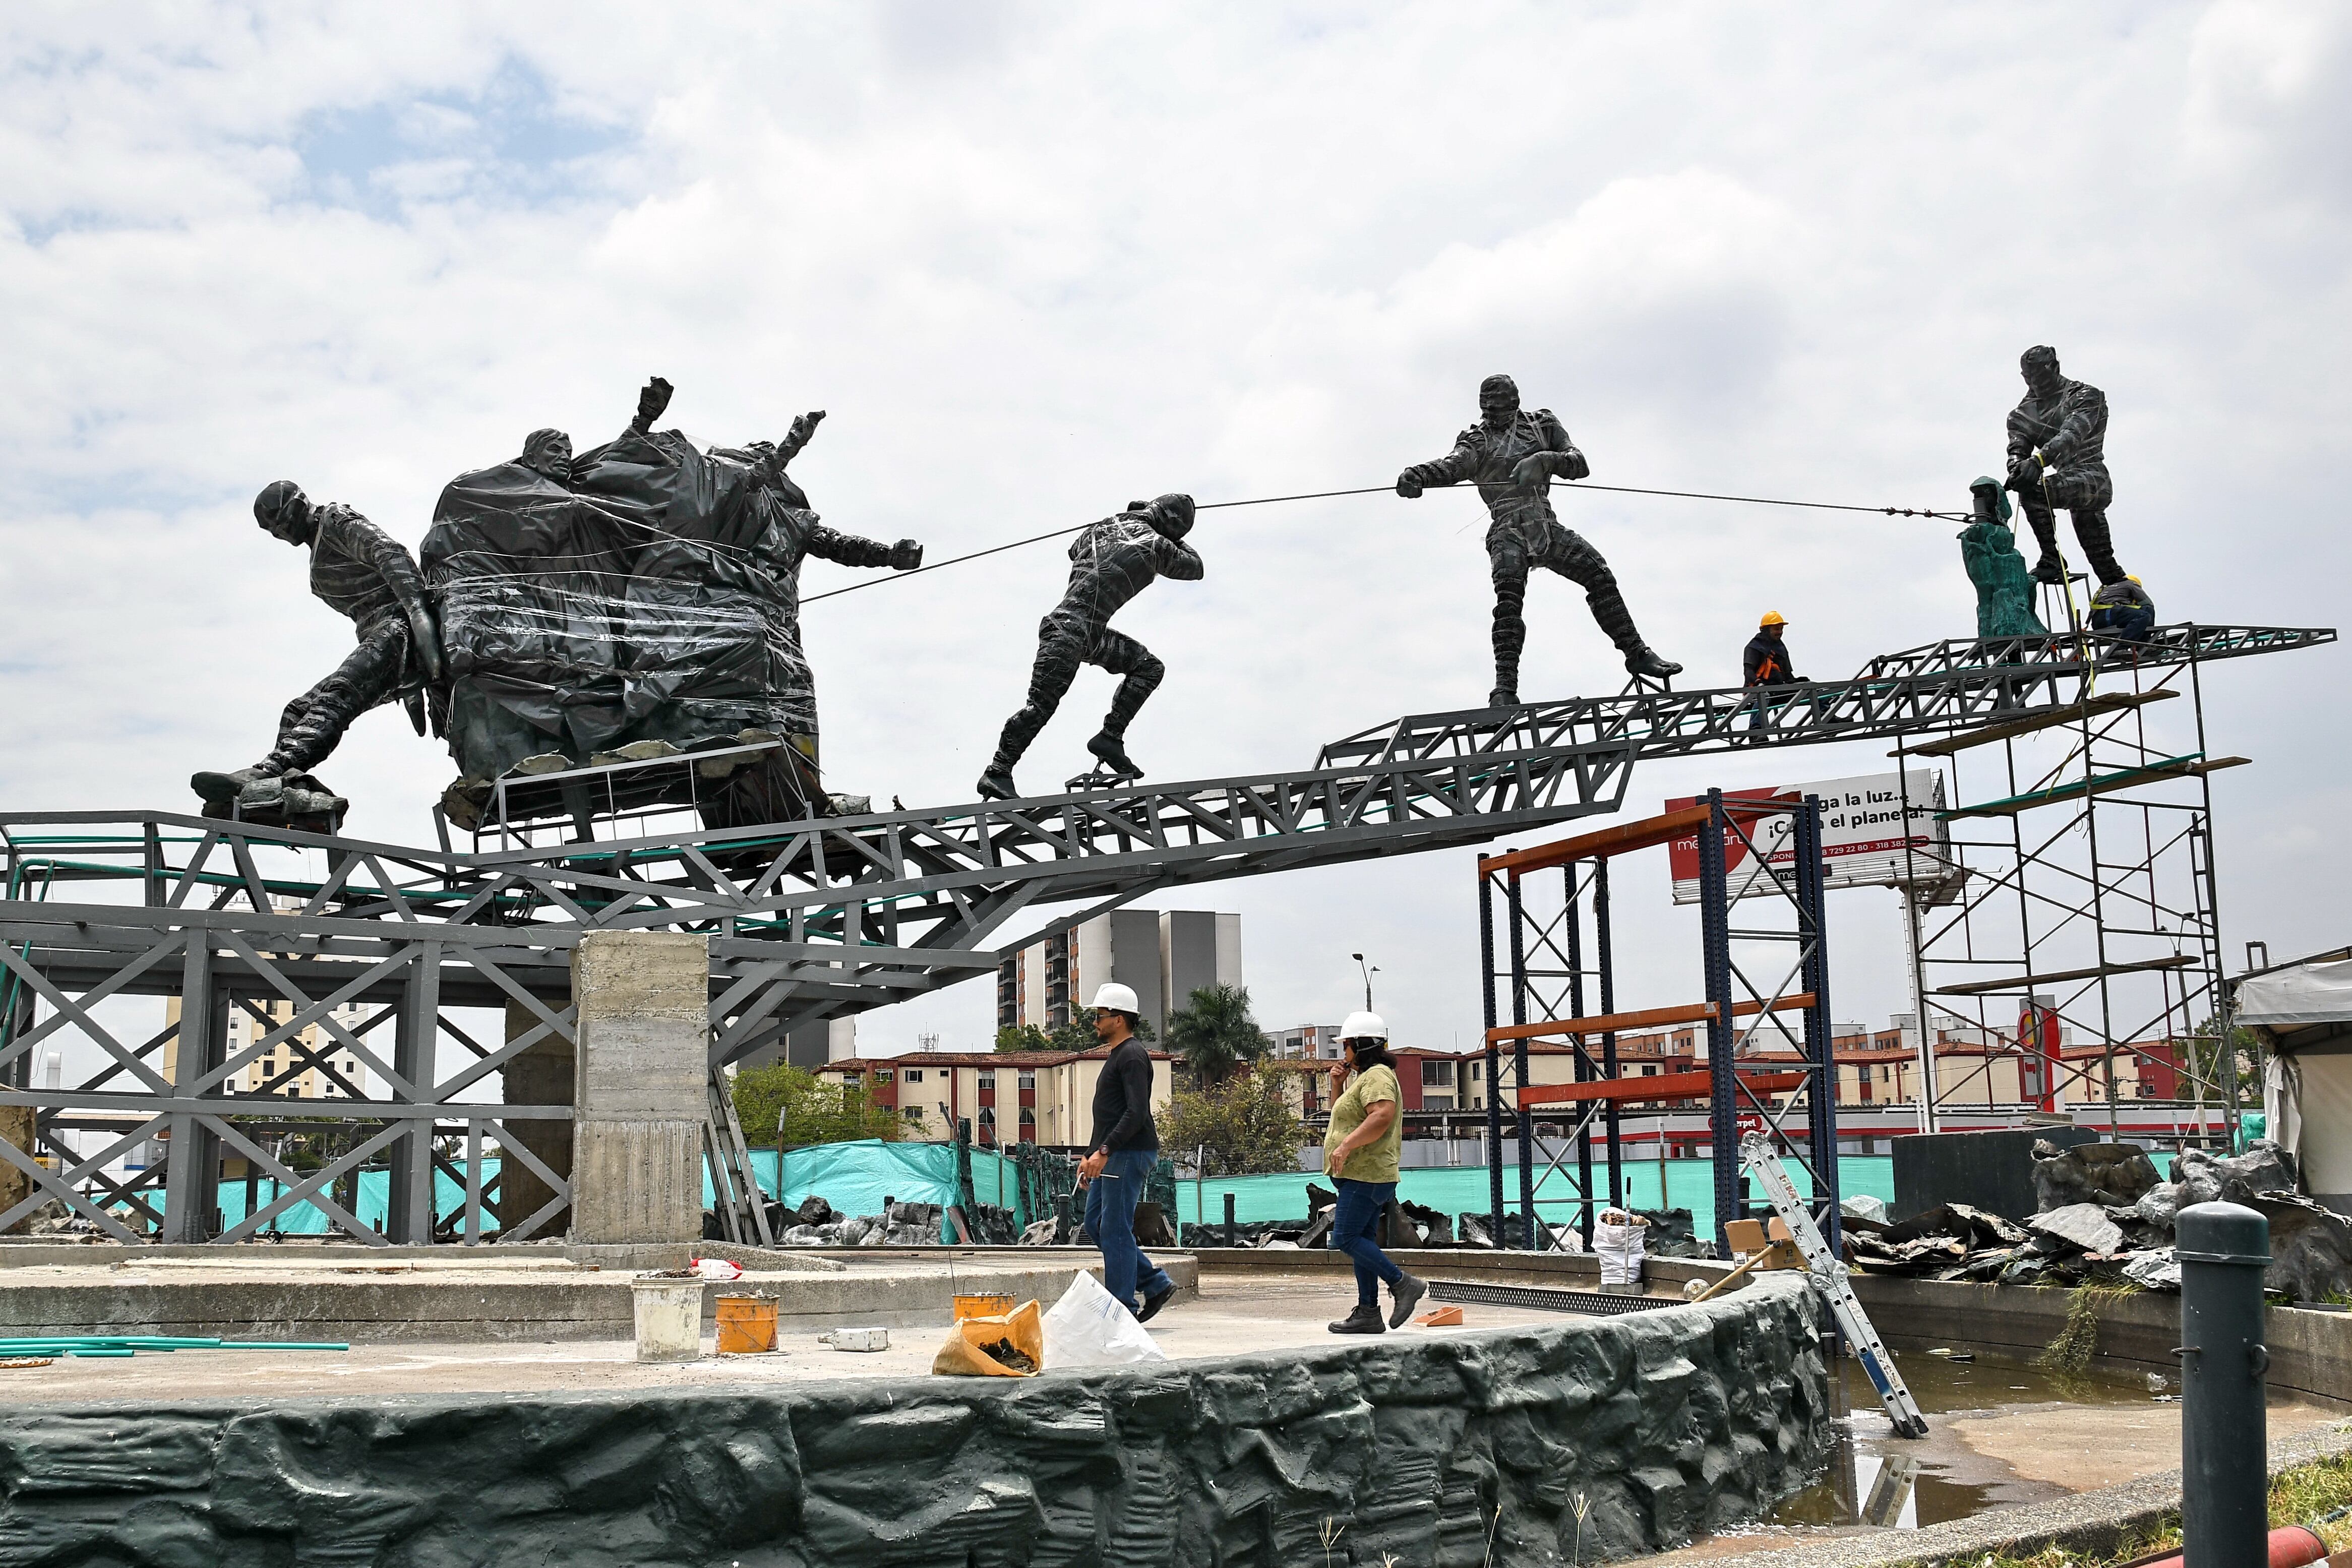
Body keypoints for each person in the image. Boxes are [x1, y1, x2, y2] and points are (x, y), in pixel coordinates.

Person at [1396, 373, 1680, 708]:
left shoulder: (1542, 425)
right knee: (1508, 603)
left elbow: (1578, 464)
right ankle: (1504, 689)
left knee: (1599, 575)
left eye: (1501, 407)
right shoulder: (1477, 440)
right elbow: (1453, 466)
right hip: (1507, 529)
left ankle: (1636, 653)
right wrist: (1418, 475)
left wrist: (1546, 459)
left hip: (1543, 524)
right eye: (1488, 409)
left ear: (1515, 402)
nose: (1494, 415)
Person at [192, 483, 446, 821]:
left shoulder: (336, 521)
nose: (280, 532)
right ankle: (286, 788)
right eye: (272, 530)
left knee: (337, 696)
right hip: (376, 636)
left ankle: (266, 771)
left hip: (396, 625)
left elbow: (389, 554)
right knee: (297, 710)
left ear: (300, 505)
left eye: (281, 521)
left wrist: (417, 613)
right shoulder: (316, 550)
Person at [976, 494, 1203, 800]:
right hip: (1069, 630)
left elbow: (1074, 551)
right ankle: (997, 771)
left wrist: (1127, 517)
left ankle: (1110, 738)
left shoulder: (1100, 528)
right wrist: (1169, 534)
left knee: (1148, 668)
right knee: (1040, 707)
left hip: (1088, 633)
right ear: (1174, 527)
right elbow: (1195, 567)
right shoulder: (1157, 545)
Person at [1074, 982, 1178, 1323]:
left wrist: (1104, 1151)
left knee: (1115, 1227)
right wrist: (1090, 1155)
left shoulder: (1132, 1055)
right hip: (1112, 1153)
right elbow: (1108, 1113)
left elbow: (1135, 1112)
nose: (1095, 1023)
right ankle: (1154, 1281)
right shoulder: (1119, 1055)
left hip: (1128, 1153)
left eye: (1100, 1016)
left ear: (1118, 1019)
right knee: (1096, 1223)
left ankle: (1121, 1310)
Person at [1321, 1011, 1428, 1334]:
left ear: (1361, 1045)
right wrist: (1337, 1085)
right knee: (1362, 1238)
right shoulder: (1363, 1078)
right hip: (1363, 1176)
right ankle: (1368, 1312)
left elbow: (1381, 1116)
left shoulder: (1378, 1076)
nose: (1344, 1053)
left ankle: (1403, 1284)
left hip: (1367, 1175)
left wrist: (1346, 1147)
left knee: (1346, 1237)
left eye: (1347, 1046)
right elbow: (1347, 1117)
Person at [2005, 345, 2127, 587]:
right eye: (2029, 379)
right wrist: (2017, 468)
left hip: (2092, 478)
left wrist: (2038, 461)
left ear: (2055, 368)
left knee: (2035, 493)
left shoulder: (2085, 396)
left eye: (2040, 377)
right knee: (2104, 563)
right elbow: (2017, 448)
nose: (2035, 385)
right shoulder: (2021, 415)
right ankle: (2121, 596)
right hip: (2067, 481)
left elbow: (2072, 433)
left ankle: (2051, 559)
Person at [1741, 612, 1810, 732]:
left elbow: (1787, 674)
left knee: (1810, 687)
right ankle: (1756, 731)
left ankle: (1828, 715)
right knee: (1764, 696)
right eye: (1776, 629)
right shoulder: (1754, 647)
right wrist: (1757, 683)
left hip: (1779, 690)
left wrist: (1795, 681)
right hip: (1758, 691)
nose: (1780, 632)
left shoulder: (1781, 648)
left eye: (1781, 629)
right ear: (1766, 630)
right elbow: (1748, 670)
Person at [2088, 575, 2155, 641]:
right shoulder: (2131, 584)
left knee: (2136, 619)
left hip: (2098, 622)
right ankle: (2137, 644)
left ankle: (2139, 644)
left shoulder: (2104, 588)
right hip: (2112, 615)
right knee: (2146, 613)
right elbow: (2148, 603)